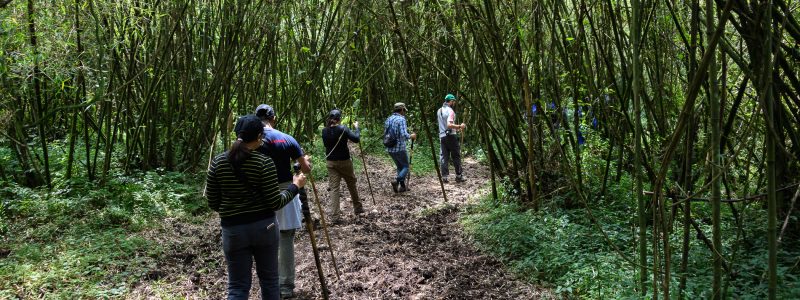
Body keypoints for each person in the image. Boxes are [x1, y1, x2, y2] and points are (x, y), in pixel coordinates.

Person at [205, 114, 307, 300]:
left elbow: (212, 202)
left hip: (233, 230)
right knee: (269, 282)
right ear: (260, 137)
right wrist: (295, 186)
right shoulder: (263, 163)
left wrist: (233, 210)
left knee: (237, 287)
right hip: (264, 228)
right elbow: (275, 202)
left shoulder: (218, 163)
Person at [254, 104, 312, 299]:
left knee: (263, 238)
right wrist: (305, 162)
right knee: (285, 237)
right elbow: (305, 168)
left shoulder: (250, 140)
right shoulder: (287, 138)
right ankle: (285, 287)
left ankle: (268, 286)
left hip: (258, 192)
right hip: (286, 188)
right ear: (274, 118)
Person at [322, 109, 364, 222]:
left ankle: (335, 217)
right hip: (344, 161)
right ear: (339, 119)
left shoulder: (324, 131)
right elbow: (356, 139)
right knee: (351, 183)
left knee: (334, 189)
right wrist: (357, 128)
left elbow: (326, 144)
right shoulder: (343, 128)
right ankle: (358, 208)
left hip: (331, 162)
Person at [384, 102, 416, 193]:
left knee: (399, 167)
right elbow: (403, 135)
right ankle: (396, 181)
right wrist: (411, 136)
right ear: (401, 110)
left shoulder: (388, 119)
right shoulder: (401, 119)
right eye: (404, 110)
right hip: (399, 148)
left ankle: (402, 187)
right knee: (406, 166)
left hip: (390, 147)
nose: (404, 112)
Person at [437, 94, 466, 183]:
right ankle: (459, 176)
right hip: (451, 136)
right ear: (451, 101)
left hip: (442, 136)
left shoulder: (439, 110)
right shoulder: (450, 111)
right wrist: (460, 126)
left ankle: (444, 177)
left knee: (444, 156)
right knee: (456, 156)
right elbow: (449, 125)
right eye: (453, 101)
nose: (454, 103)